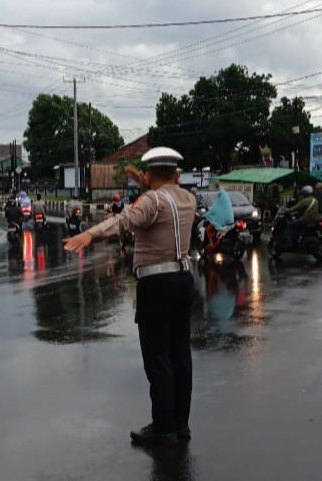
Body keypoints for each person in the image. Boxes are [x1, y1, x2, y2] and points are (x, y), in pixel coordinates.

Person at [64, 147, 197, 447]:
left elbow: (124, 220)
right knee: (180, 355)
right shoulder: (187, 198)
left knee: (157, 358)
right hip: (183, 280)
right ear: (177, 175)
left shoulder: (151, 200)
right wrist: (144, 179)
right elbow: (159, 191)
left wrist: (91, 235)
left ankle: (163, 427)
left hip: (156, 285)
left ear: (150, 175)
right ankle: (180, 424)